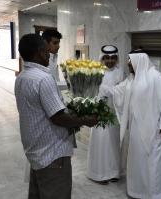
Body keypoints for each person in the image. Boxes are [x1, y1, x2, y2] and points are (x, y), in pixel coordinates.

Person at [15, 33, 99, 199]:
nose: (50, 54)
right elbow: (58, 118)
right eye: (47, 50)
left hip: (36, 152)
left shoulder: (22, 77)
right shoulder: (43, 78)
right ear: (39, 52)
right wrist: (87, 120)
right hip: (52, 155)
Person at [102, 50, 161, 199]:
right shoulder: (132, 79)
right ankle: (138, 191)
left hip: (154, 129)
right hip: (136, 128)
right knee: (138, 161)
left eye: (130, 61)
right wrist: (101, 86)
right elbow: (118, 91)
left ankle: (155, 193)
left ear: (139, 61)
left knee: (153, 162)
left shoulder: (156, 77)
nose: (128, 64)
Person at [87, 45, 124, 185]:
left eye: (113, 58)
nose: (110, 61)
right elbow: (92, 91)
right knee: (101, 143)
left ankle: (113, 172)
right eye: (107, 58)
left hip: (114, 114)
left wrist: (113, 91)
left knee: (114, 143)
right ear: (102, 58)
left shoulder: (120, 71)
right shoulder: (95, 71)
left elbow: (122, 91)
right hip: (99, 113)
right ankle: (99, 174)